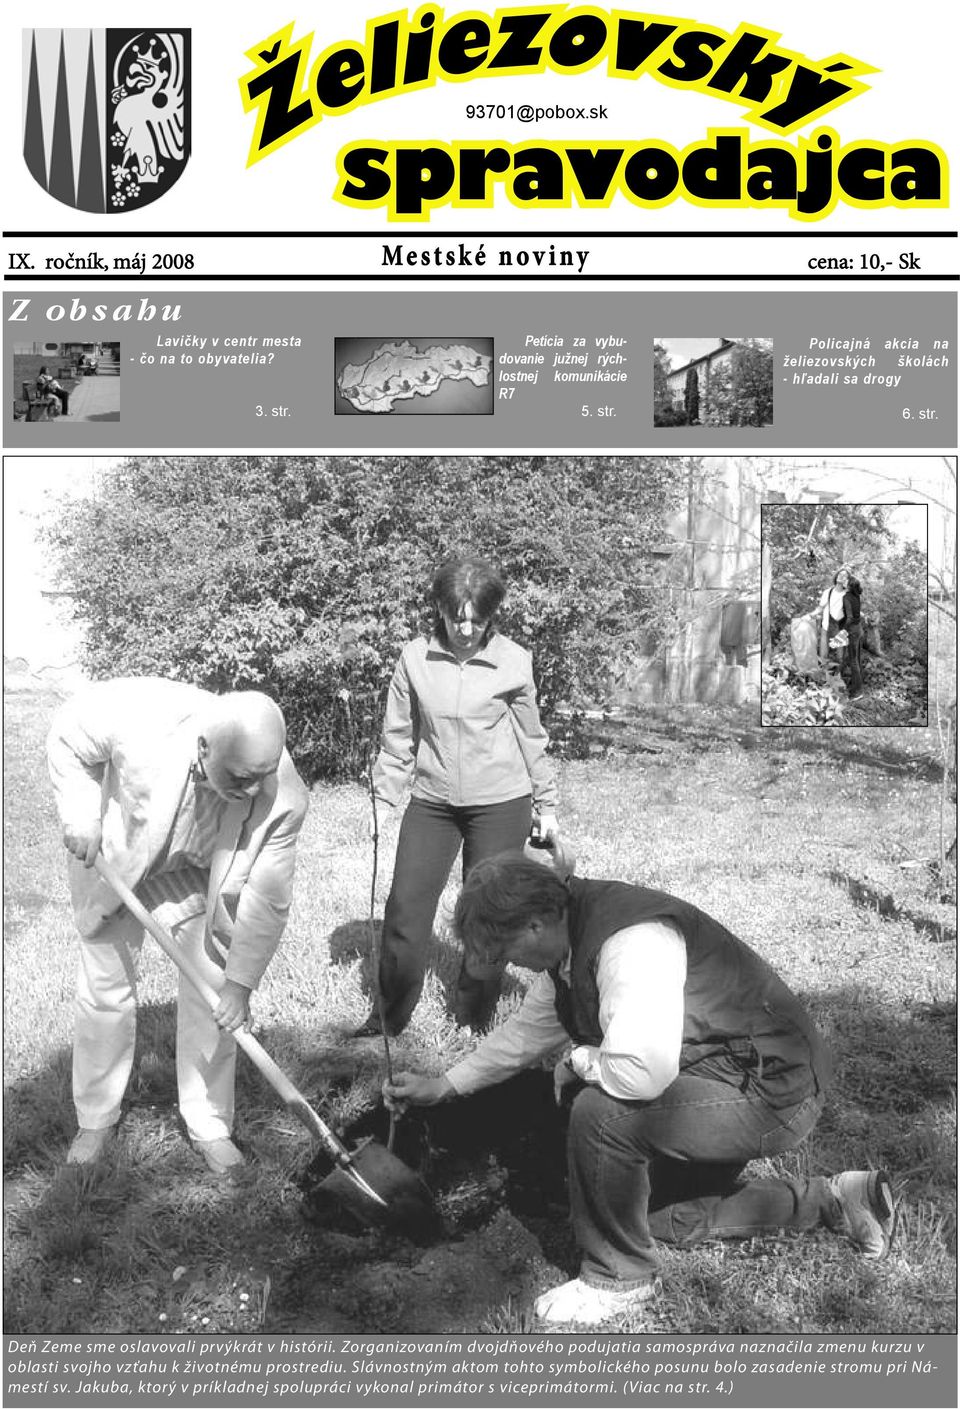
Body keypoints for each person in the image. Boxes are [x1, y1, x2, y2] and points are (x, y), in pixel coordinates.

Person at [384, 854, 897, 1328]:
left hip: (773, 1092)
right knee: (660, 1214)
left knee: (602, 1113)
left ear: (535, 924)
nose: (508, 964)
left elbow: (641, 1074)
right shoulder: (567, 944)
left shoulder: (630, 942)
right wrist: (444, 1086)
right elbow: (524, 1035)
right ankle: (836, 1200)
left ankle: (618, 1277)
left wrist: (580, 1060)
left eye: (504, 950)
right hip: (723, 1075)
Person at [47, 677, 309, 1175]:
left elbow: (268, 897)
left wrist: (240, 983)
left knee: (212, 993)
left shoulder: (281, 792)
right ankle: (96, 1118)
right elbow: (67, 737)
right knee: (107, 985)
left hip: (199, 867)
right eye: (240, 778)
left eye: (262, 776)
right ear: (204, 747)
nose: (254, 790)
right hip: (120, 853)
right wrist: (81, 813)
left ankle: (210, 1124)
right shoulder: (139, 715)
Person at [355, 555, 558, 1038]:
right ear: (440, 610)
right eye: (456, 617)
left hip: (501, 802)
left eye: (478, 619)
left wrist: (546, 805)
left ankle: (473, 1019)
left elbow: (533, 738)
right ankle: (388, 1019)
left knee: (488, 912)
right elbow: (398, 737)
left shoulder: (514, 660)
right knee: (405, 907)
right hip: (433, 800)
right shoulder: (414, 659)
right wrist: (385, 801)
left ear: (491, 616)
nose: (466, 628)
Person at [817, 567, 849, 666]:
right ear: (836, 576)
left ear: (847, 580)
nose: (841, 577)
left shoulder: (847, 594)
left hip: (840, 628)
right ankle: (823, 677)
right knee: (823, 656)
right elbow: (820, 609)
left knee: (840, 657)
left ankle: (838, 677)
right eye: (840, 574)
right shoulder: (828, 592)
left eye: (845, 576)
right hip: (826, 627)